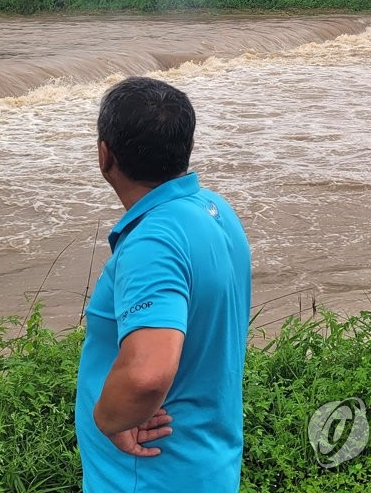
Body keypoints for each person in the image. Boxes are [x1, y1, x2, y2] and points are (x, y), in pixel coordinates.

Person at [75, 76, 252, 492]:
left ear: (105, 156)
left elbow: (147, 374)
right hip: (207, 462)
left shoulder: (153, 243)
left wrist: (108, 418)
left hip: (150, 475)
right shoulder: (213, 210)